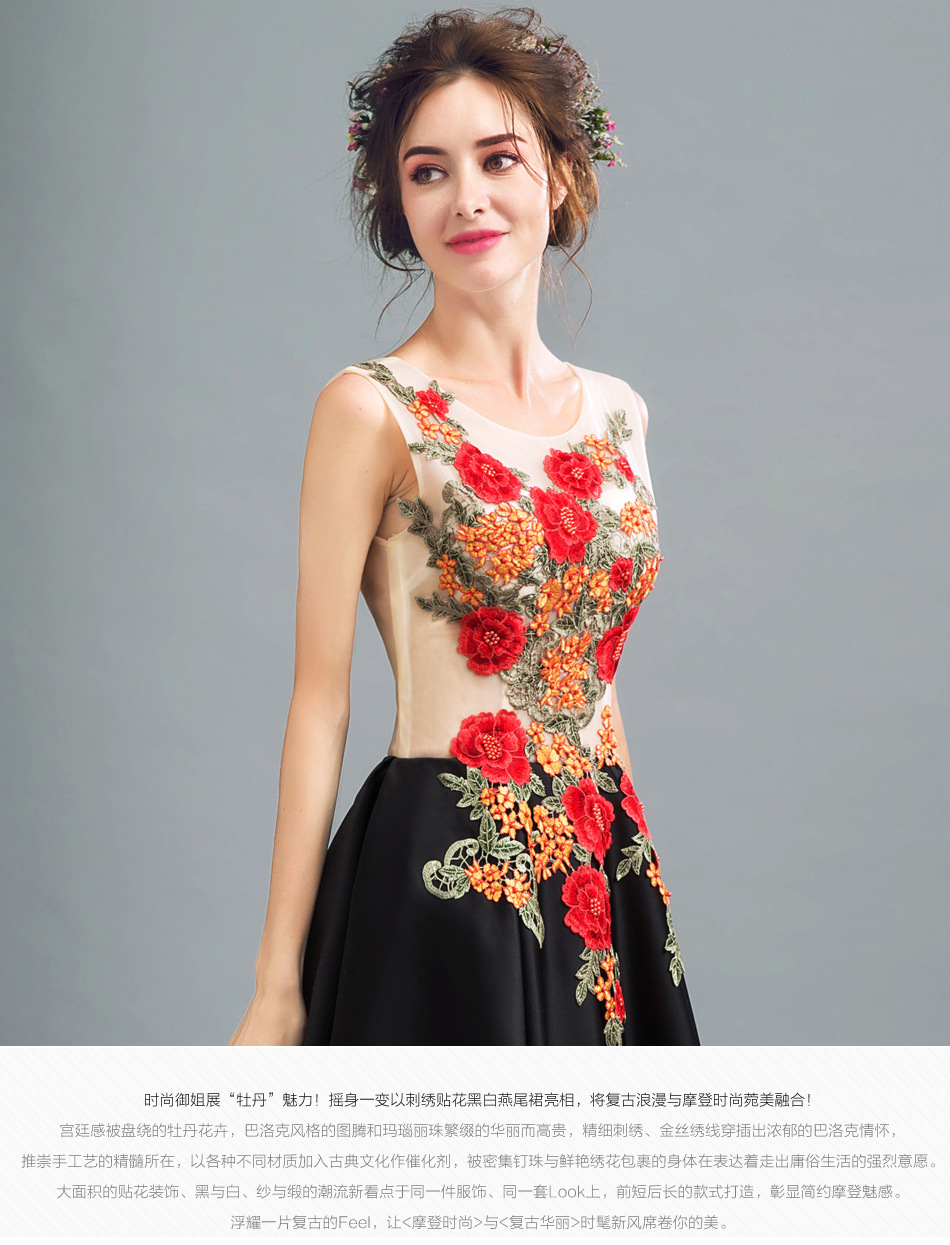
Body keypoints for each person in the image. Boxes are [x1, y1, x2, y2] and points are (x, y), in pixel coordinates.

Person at [229, 6, 700, 1047]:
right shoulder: (370, 409)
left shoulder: (619, 413)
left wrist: (621, 877)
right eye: (428, 172)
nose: (467, 197)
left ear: (560, 175)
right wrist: (274, 986)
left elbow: (590, 670)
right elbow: (319, 701)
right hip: (444, 867)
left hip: (603, 866)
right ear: (399, 204)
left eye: (498, 158)